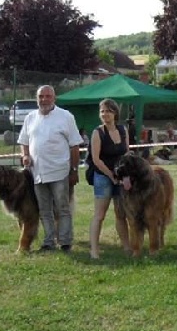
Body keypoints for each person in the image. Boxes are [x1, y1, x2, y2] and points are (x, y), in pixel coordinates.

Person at [18, 85, 83, 252]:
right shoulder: (30, 118)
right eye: (41, 96)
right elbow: (24, 141)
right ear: (37, 98)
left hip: (60, 171)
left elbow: (74, 146)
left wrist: (74, 170)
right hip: (38, 173)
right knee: (44, 210)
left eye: (48, 96)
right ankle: (48, 242)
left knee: (62, 208)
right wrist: (25, 155)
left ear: (54, 98)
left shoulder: (66, 116)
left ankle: (65, 241)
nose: (44, 99)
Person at [88, 99, 130, 259]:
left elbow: (126, 153)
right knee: (100, 215)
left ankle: (127, 247)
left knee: (121, 214)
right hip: (103, 176)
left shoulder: (122, 130)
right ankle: (94, 250)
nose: (105, 114)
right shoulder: (97, 133)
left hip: (121, 177)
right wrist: (111, 175)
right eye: (102, 111)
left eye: (108, 111)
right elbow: (96, 159)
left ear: (115, 113)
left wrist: (123, 174)